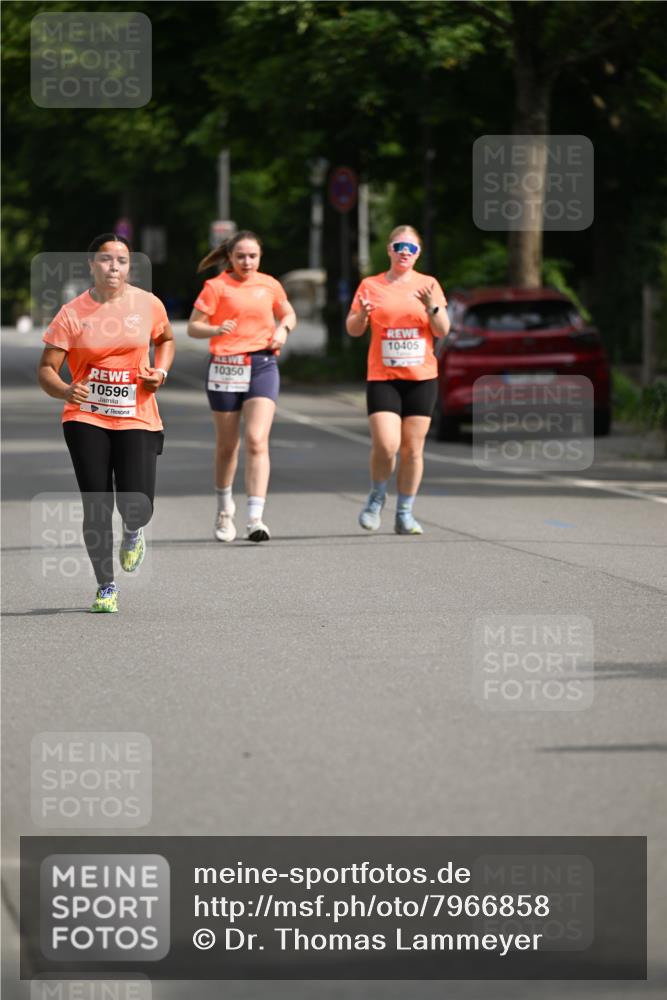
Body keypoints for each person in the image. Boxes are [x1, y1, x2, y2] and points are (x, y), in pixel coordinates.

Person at [37, 233, 175, 613]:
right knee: (96, 503)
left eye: (122, 261)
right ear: (91, 265)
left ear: (129, 266)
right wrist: (66, 390)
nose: (113, 267)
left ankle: (133, 531)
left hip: (138, 414)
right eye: (105, 260)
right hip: (86, 416)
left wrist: (159, 372)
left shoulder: (147, 304)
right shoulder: (72, 312)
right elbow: (47, 369)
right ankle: (106, 586)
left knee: (139, 504)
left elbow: (166, 340)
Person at [187, 230, 296, 543]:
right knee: (227, 445)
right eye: (241, 256)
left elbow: (287, 312)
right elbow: (194, 327)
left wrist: (283, 329)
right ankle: (224, 510)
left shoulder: (270, 284)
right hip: (225, 367)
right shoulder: (216, 286)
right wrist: (215, 328)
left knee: (257, 439)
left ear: (260, 258)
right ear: (230, 258)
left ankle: (255, 518)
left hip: (262, 364)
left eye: (253, 256)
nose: (247, 261)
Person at [346, 225, 450, 535]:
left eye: (412, 248)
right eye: (400, 246)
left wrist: (432, 306)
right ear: (390, 249)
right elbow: (353, 329)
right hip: (384, 377)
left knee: (413, 449)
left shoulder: (429, 284)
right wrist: (362, 316)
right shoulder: (370, 285)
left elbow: (443, 330)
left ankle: (405, 512)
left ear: (419, 253)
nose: (405, 252)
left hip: (421, 378)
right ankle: (377, 497)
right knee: (386, 444)